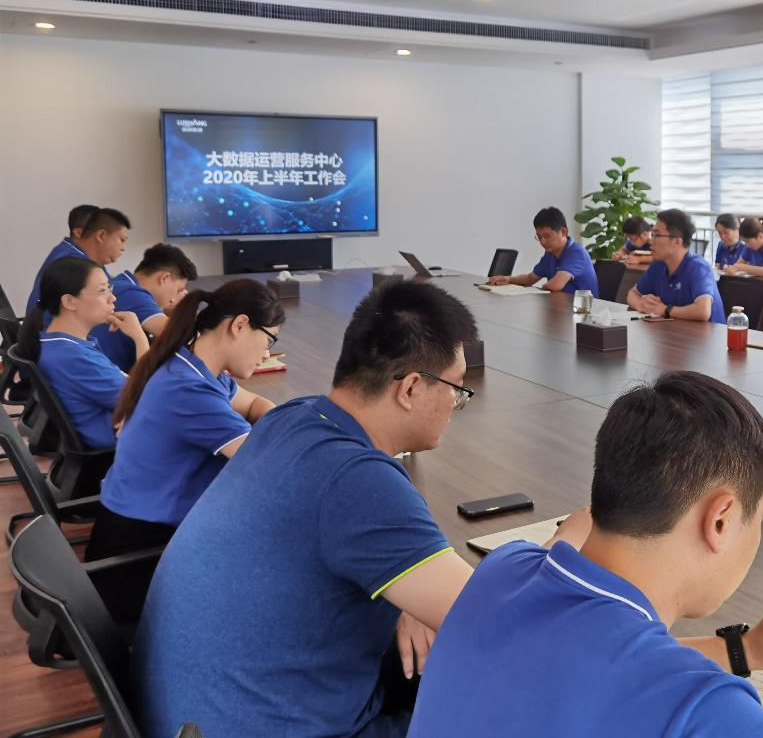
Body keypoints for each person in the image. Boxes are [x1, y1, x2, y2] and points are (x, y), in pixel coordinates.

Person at [134, 279, 587, 738]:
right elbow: (505, 625)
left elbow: (352, 526)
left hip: (194, 708)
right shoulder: (357, 481)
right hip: (258, 723)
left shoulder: (295, 418)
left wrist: (409, 593)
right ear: (410, 388)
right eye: (456, 387)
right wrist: (564, 540)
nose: (457, 403)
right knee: (533, 703)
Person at [408, 372, 763, 738]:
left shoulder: (503, 569)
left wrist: (747, 649)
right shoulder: (709, 712)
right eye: (759, 519)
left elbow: (594, 656)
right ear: (721, 520)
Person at [87, 280, 282, 586]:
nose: (267, 352)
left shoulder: (190, 365)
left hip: (142, 532)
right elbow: (268, 464)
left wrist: (279, 422)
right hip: (138, 560)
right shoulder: (189, 390)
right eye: (269, 339)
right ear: (240, 325)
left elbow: (255, 404)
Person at [16, 257, 147, 448]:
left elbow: (137, 394)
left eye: (109, 288)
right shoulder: (72, 356)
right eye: (102, 291)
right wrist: (140, 338)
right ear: (69, 301)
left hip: (121, 429)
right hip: (121, 444)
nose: (113, 298)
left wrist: (132, 405)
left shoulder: (61, 344)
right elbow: (149, 398)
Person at [90, 243, 199, 371]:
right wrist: (184, 309)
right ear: (164, 278)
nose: (173, 299)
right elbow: (185, 336)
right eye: (179, 290)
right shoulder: (133, 294)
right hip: (109, 378)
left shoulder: (121, 285)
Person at [25, 206, 131, 313]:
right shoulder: (71, 263)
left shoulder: (87, 257)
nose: (123, 248)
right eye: (122, 240)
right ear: (100, 235)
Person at [627, 209, 725, 323]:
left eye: (656, 235)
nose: (650, 241)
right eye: (652, 235)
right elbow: (632, 294)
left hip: (708, 333)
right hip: (674, 330)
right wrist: (641, 304)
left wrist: (665, 309)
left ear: (677, 241)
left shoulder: (698, 267)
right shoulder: (658, 264)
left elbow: (703, 311)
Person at [487, 206, 599, 296]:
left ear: (564, 232)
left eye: (547, 236)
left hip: (584, 311)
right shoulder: (550, 254)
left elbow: (555, 285)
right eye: (539, 237)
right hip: (561, 307)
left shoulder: (576, 253)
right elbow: (530, 279)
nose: (543, 241)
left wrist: (540, 289)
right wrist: (508, 279)